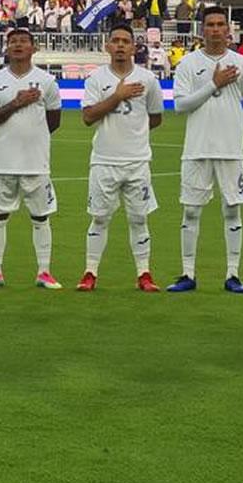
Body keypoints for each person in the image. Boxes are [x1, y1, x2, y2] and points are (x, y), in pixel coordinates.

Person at [170, 6, 243, 294]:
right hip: (196, 149)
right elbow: (180, 105)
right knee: (192, 211)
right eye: (210, 24)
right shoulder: (187, 64)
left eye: (221, 24)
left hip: (231, 151)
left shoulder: (242, 64)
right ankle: (187, 273)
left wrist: (234, 127)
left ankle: (233, 275)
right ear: (202, 29)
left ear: (228, 29)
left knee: (232, 210)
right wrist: (214, 83)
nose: (216, 29)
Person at [77, 24, 163, 292]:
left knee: (139, 219)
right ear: (107, 46)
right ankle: (90, 272)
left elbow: (156, 117)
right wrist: (117, 96)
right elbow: (88, 117)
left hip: (138, 162)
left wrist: (133, 135)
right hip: (103, 161)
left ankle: (144, 274)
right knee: (100, 218)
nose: (121, 45)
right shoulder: (96, 79)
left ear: (134, 47)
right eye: (116, 41)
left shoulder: (148, 79)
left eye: (126, 41)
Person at [0, 28, 62, 289]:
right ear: (6, 48)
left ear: (33, 48)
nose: (18, 45)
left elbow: (53, 121)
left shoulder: (47, 81)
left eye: (23, 41)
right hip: (3, 162)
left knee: (40, 217)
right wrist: (17, 103)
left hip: (36, 162)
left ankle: (44, 272)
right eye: (13, 41)